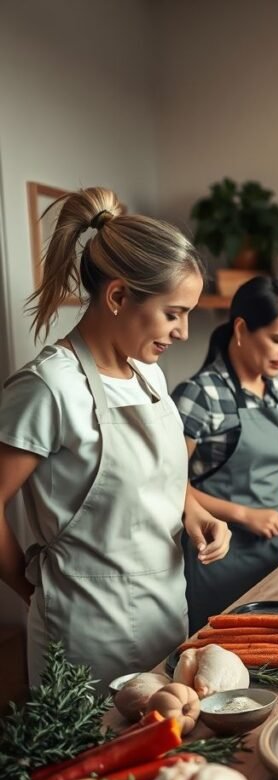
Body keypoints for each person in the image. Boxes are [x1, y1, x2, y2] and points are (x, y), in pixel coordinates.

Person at [0, 186, 231, 686]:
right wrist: (30, 589)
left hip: (166, 612)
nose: (184, 332)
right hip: (84, 633)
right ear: (119, 296)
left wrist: (195, 511)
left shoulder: (148, 376)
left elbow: (151, 476)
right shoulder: (48, 387)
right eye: (174, 313)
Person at [173, 276, 278, 632]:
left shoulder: (275, 389)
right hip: (217, 555)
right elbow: (167, 481)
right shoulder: (200, 394)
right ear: (242, 329)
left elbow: (273, 463)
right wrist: (243, 514)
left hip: (271, 549)